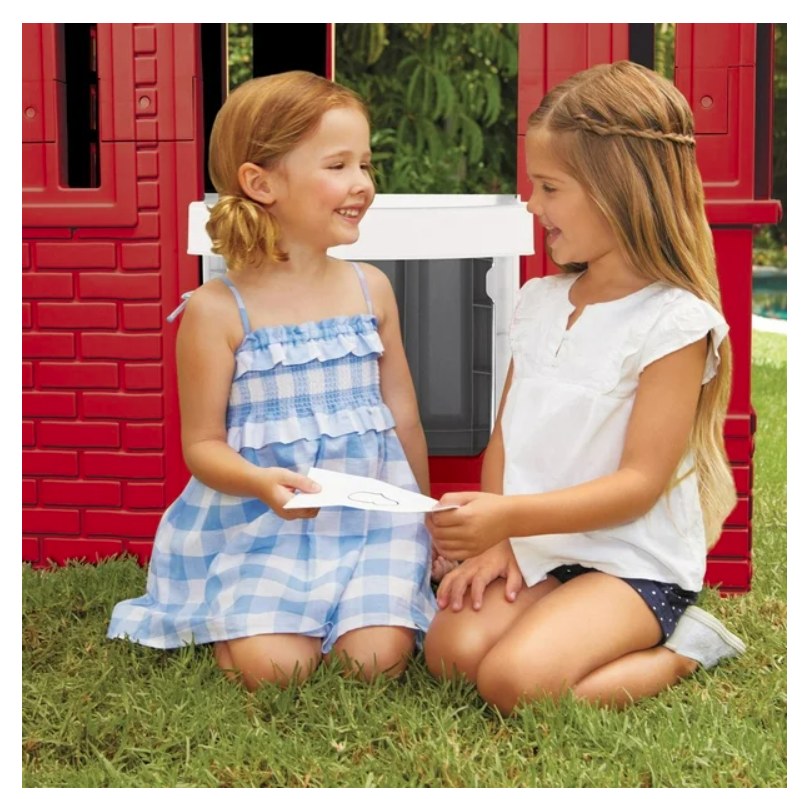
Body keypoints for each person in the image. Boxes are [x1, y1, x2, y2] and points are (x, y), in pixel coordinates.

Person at [424, 61, 746, 713]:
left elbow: (636, 485)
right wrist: (497, 537)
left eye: (548, 187)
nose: (532, 205)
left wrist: (508, 517)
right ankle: (557, 614)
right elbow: (506, 436)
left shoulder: (673, 321)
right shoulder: (540, 299)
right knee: (449, 654)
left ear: (616, 190)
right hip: (544, 545)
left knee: (512, 683)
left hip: (632, 563)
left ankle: (685, 646)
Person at [108, 71, 436, 690]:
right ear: (261, 184)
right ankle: (240, 627)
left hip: (371, 528)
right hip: (263, 526)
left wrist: (424, 519)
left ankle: (353, 612)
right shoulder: (217, 309)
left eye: (366, 165)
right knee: (277, 671)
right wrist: (261, 483)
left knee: (376, 664)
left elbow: (405, 420)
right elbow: (202, 447)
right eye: (338, 165)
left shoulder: (372, 289)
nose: (362, 184)